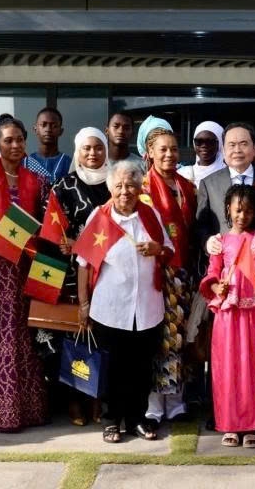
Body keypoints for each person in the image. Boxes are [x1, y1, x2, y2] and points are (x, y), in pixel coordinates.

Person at [76, 161, 172, 443]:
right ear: (110, 189)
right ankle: (110, 420)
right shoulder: (101, 216)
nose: (124, 191)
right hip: (111, 308)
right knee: (113, 368)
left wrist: (157, 249)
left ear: (140, 187)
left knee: (141, 368)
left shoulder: (150, 214)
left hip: (146, 306)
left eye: (130, 185)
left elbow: (169, 249)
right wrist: (83, 305)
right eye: (118, 186)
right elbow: (83, 263)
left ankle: (137, 420)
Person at [0, 116, 48, 433]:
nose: (16, 145)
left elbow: (48, 222)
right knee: (2, 336)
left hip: (31, 269)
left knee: (28, 336)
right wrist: (13, 241)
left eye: (20, 139)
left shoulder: (39, 180)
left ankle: (30, 410)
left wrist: (37, 242)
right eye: (8, 140)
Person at [200, 184, 255, 449]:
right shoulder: (219, 243)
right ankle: (230, 425)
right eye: (237, 210)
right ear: (228, 209)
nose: (242, 216)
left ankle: (253, 425)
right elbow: (211, 275)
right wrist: (216, 287)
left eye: (247, 211)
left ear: (254, 212)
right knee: (228, 369)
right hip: (228, 316)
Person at [51, 127, 112, 425]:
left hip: (110, 275)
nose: (92, 153)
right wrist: (69, 245)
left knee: (104, 338)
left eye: (98, 147)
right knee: (75, 337)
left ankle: (99, 400)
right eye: (86, 148)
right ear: (78, 151)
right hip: (74, 276)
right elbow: (54, 232)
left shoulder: (117, 183)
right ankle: (75, 401)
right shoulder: (64, 185)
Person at [139, 125, 197, 425]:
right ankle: (153, 405)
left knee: (177, 339)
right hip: (154, 274)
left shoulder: (187, 186)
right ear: (149, 153)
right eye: (162, 149)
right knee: (155, 338)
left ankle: (175, 402)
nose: (169, 154)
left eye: (174, 148)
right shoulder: (143, 187)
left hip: (183, 274)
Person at [197, 123, 255, 246]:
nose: (237, 150)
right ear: (223, 149)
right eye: (231, 145)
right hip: (224, 259)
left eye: (243, 144)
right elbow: (201, 226)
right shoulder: (208, 184)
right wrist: (207, 241)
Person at [25, 108, 71, 185]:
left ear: (61, 131)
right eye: (43, 125)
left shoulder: (68, 163)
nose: (48, 129)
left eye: (54, 126)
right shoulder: (25, 163)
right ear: (35, 129)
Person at [178, 121, 225, 187]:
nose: (204, 146)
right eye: (199, 141)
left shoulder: (231, 174)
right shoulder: (183, 174)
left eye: (209, 142)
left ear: (220, 144)